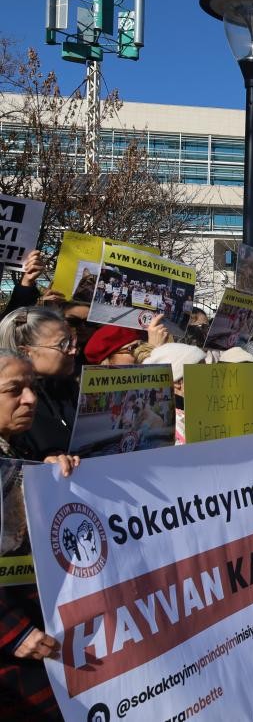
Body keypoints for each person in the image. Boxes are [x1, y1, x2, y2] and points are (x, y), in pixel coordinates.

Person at [0, 349, 80, 718]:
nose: (30, 398)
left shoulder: (21, 448)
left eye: (32, 387)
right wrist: (11, 632)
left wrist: (47, 476)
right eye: (14, 390)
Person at [0, 307, 79, 458]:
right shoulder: (12, 413)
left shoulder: (68, 389)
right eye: (63, 344)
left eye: (72, 342)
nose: (73, 350)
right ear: (25, 352)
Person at [144, 342, 211, 445]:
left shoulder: (206, 410)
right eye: (200, 372)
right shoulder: (169, 425)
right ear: (177, 383)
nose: (209, 378)